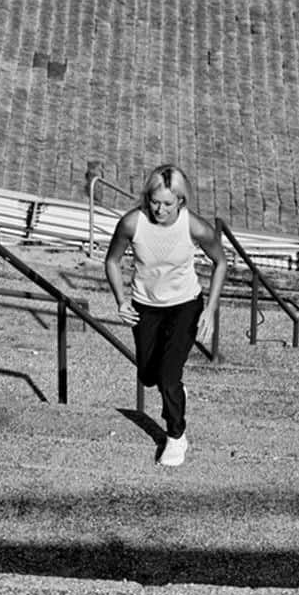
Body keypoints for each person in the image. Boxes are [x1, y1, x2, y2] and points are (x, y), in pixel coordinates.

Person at [105, 163, 227, 466]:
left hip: (185, 305)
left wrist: (210, 310)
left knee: (169, 376)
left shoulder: (193, 226)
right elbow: (111, 261)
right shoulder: (133, 223)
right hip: (145, 306)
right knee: (148, 376)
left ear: (181, 201)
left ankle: (176, 435)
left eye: (168, 204)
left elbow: (221, 262)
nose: (159, 209)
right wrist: (121, 301)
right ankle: (172, 387)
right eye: (154, 201)